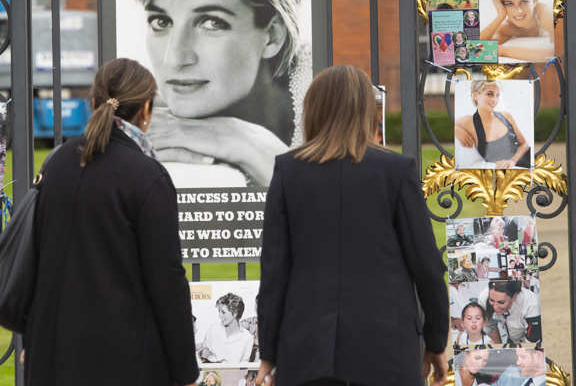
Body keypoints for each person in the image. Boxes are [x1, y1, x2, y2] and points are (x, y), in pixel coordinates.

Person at [256, 66, 449, 386]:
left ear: (313, 109)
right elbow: (427, 265)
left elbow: (275, 269)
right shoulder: (396, 171)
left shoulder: (289, 171)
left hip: (307, 348)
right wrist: (436, 340)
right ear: (367, 111)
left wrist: (268, 352)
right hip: (386, 347)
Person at [24, 58, 199, 386]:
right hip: (125, 358)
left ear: (93, 102)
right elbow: (166, 279)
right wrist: (186, 370)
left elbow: (35, 256)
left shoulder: (57, 162)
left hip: (52, 353)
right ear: (146, 109)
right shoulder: (147, 176)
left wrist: (30, 334)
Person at [128, 0, 311, 189]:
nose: (175, 58)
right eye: (161, 22)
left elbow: (332, 215)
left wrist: (249, 145)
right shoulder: (144, 129)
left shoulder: (325, 102)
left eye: (212, 23)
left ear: (273, 35)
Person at [455, 80, 531, 169]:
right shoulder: (468, 121)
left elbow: (524, 144)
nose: (494, 100)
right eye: (489, 94)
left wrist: (512, 161)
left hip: (527, 162)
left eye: (497, 95)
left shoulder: (505, 116)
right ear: (475, 95)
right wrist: (456, 130)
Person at [479, 0, 554, 62]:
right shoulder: (507, 28)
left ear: (534, 0)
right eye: (509, 4)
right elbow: (475, 50)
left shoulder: (545, 12)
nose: (519, 11)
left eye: (524, 2)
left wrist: (501, 51)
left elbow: (556, 52)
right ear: (502, 5)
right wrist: (500, 16)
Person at [478, 280, 541, 345]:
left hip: (528, 337)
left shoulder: (532, 305)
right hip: (511, 336)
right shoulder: (483, 298)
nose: (495, 308)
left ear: (514, 296)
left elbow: (532, 341)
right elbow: (490, 327)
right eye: (491, 300)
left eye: (501, 302)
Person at [197, 293, 254, 364]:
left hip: (234, 375)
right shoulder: (213, 330)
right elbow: (202, 354)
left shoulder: (247, 338)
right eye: (219, 311)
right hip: (211, 373)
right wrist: (202, 353)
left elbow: (244, 368)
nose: (220, 316)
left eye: (223, 312)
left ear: (235, 313)